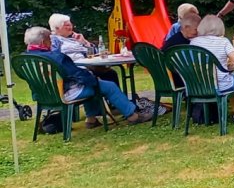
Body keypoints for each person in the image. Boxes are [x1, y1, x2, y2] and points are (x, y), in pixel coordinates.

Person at [24, 27, 153, 128]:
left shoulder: (23, 59)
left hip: (43, 96)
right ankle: (133, 116)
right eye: (49, 40)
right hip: (66, 93)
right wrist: (94, 79)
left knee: (90, 83)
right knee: (107, 85)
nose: (51, 42)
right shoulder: (55, 57)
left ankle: (91, 120)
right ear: (43, 42)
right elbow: (76, 73)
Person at [191, 15, 234, 124]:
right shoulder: (223, 41)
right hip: (221, 85)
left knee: (232, 79)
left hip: (199, 86)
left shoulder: (194, 42)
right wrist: (230, 66)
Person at [48, 13, 120, 85]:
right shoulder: (53, 40)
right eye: (67, 25)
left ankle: (112, 94)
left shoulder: (74, 38)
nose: (70, 27)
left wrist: (84, 42)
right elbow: (55, 57)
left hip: (86, 65)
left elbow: (94, 53)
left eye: (70, 24)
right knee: (107, 78)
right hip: (73, 70)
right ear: (57, 28)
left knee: (110, 73)